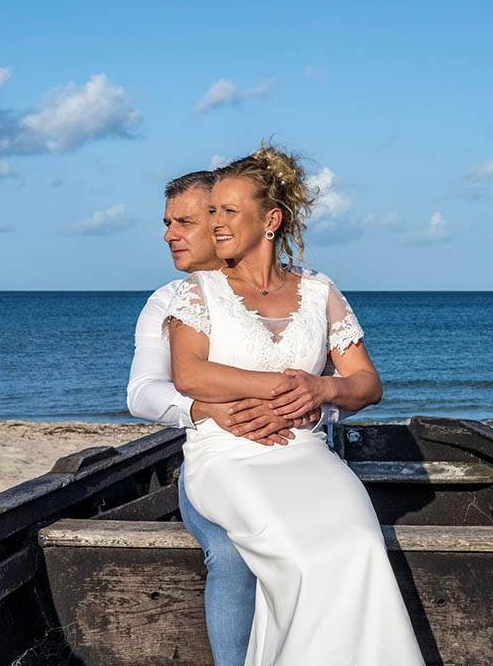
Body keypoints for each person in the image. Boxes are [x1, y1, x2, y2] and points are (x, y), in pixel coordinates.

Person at [166, 145, 425, 665]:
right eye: (211, 211)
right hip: (230, 455)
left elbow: (367, 384)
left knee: (359, 548)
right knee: (302, 560)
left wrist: (322, 389)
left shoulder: (319, 292)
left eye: (227, 211)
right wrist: (280, 390)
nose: (215, 223)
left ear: (271, 220)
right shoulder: (199, 292)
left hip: (307, 453)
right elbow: (189, 375)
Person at [127, 169, 356, 665]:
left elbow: (349, 382)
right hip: (221, 460)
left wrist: (311, 401)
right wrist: (207, 408)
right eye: (170, 223)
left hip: (302, 455)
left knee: (336, 543)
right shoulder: (172, 299)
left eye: (189, 220)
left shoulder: (311, 292)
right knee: (233, 553)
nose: (171, 234)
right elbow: (144, 393)